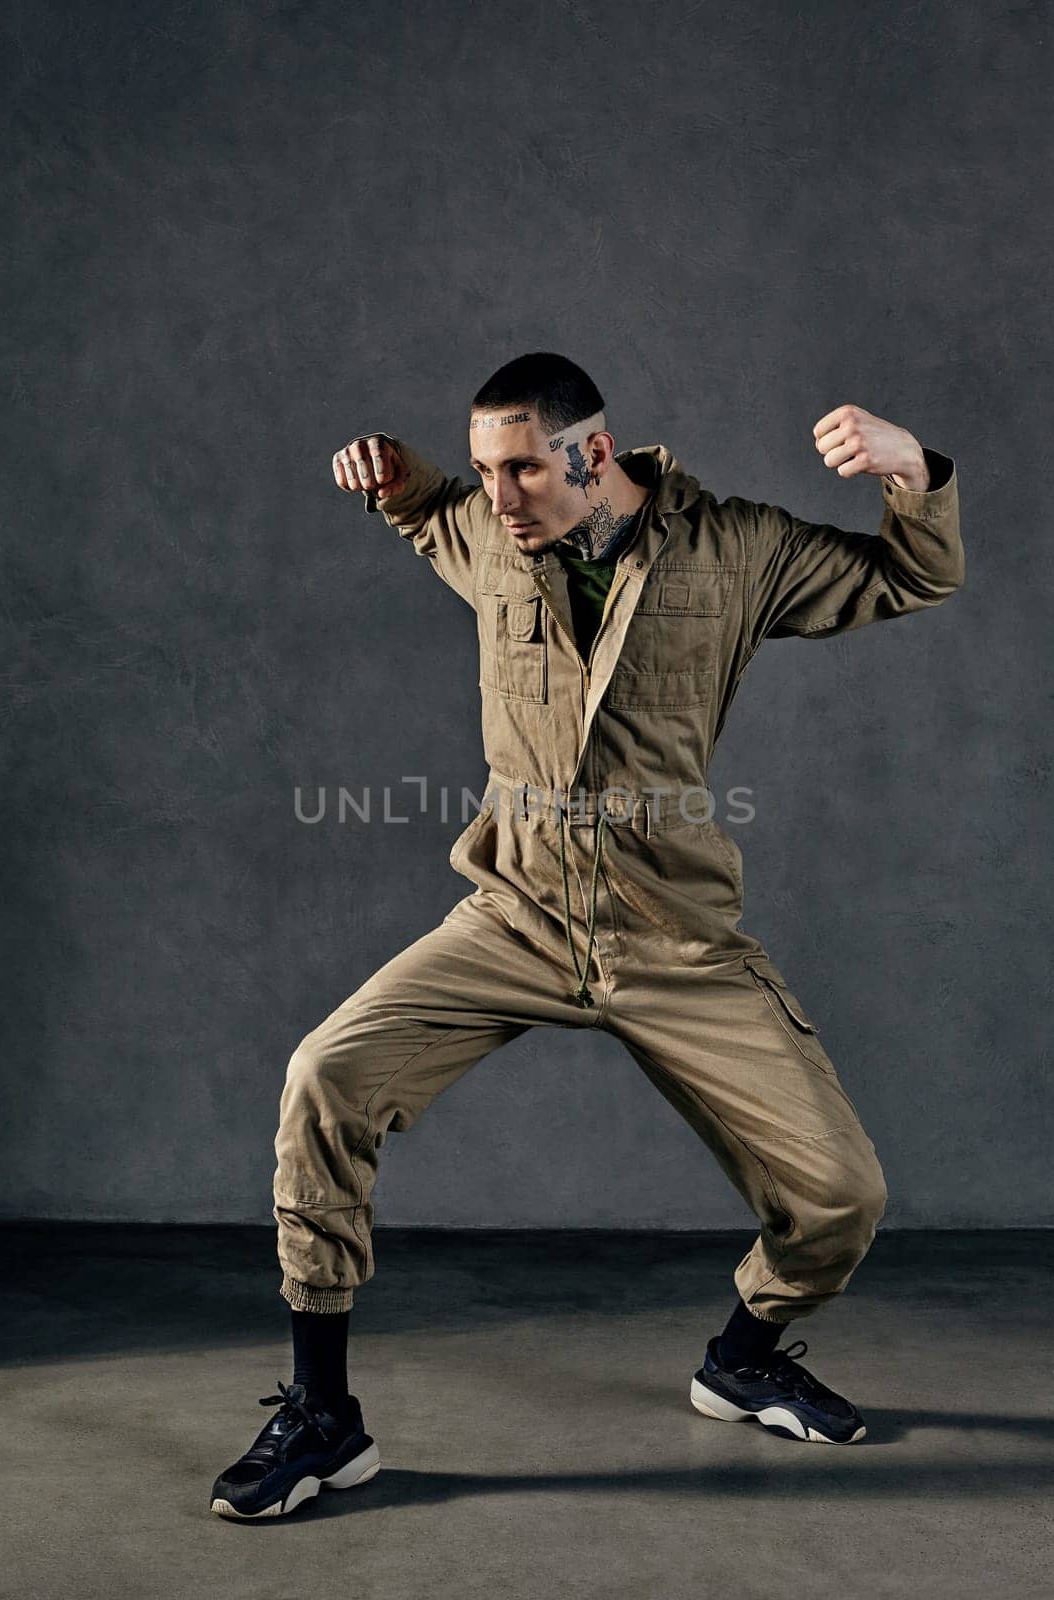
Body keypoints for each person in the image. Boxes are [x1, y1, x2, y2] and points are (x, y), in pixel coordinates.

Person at [210, 351, 963, 1519]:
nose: (497, 497)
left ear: (593, 454)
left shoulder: (739, 549)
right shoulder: (481, 532)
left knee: (840, 1197)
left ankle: (742, 1356)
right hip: (514, 917)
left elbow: (911, 577)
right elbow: (424, 517)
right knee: (324, 1076)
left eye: (519, 469)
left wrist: (911, 471)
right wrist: (402, 478)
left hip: (672, 938)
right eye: (481, 470)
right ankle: (324, 1417)